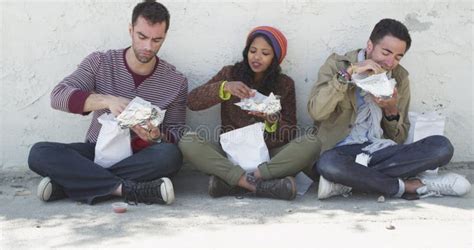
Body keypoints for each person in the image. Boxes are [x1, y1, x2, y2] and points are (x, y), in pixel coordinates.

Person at [28, 0, 188, 205]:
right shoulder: (101, 62)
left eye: (157, 40)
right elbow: (58, 96)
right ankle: (127, 189)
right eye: (142, 36)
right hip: (97, 150)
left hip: (139, 157)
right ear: (130, 30)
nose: (148, 47)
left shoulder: (175, 81)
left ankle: (71, 183)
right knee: (39, 152)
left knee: (170, 156)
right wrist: (107, 100)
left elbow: (176, 134)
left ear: (165, 37)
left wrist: (156, 136)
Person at [307, 18, 471, 200]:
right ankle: (410, 186)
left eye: (398, 57)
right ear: (370, 45)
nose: (390, 62)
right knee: (328, 164)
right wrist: (348, 74)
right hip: (341, 152)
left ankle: (347, 181)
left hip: (379, 150)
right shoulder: (338, 65)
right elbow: (316, 112)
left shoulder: (399, 78)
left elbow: (399, 138)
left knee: (442, 147)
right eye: (386, 52)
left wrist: (390, 109)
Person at [179, 26, 321, 201]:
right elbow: (192, 101)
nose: (257, 57)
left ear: (275, 59)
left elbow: (290, 132)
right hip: (231, 156)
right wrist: (224, 87)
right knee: (187, 141)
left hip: (268, 158)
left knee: (312, 143)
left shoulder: (284, 84)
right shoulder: (230, 74)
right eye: (253, 51)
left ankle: (236, 182)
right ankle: (258, 185)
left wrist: (271, 119)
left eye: (265, 53)